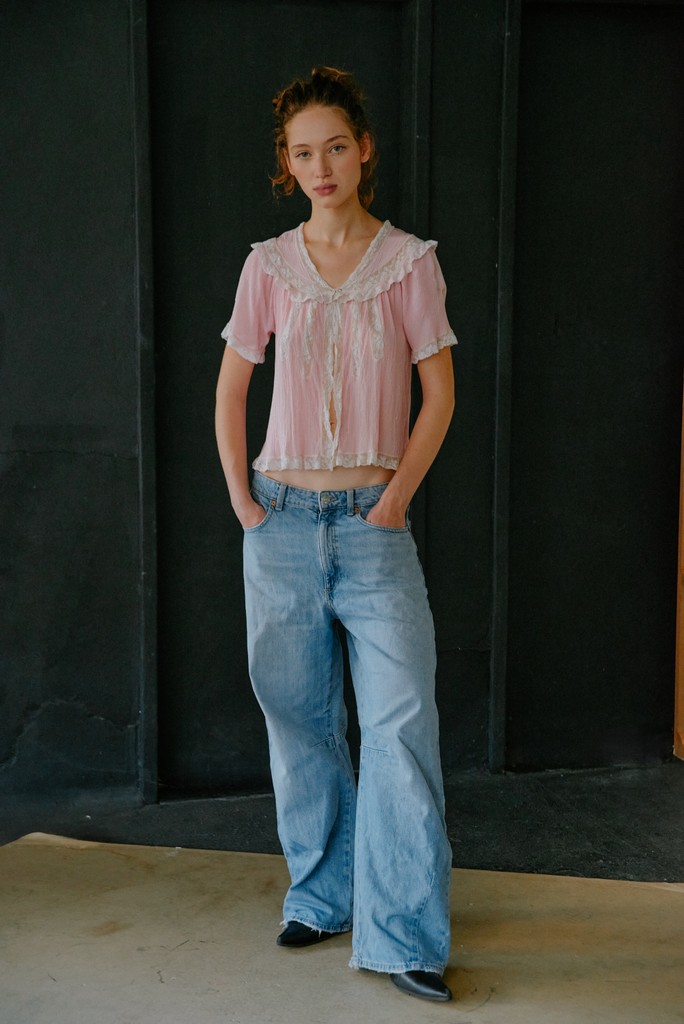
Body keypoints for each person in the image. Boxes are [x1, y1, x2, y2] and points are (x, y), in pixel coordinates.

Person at [215, 66, 457, 1003]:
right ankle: (321, 898)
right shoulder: (269, 266)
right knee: (299, 724)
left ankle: (406, 937)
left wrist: (394, 501)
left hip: (371, 528)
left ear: (365, 152)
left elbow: (439, 394)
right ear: (289, 164)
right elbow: (232, 388)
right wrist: (245, 505)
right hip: (279, 523)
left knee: (400, 724)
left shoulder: (408, 263)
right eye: (304, 153)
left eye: (337, 148)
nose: (322, 167)